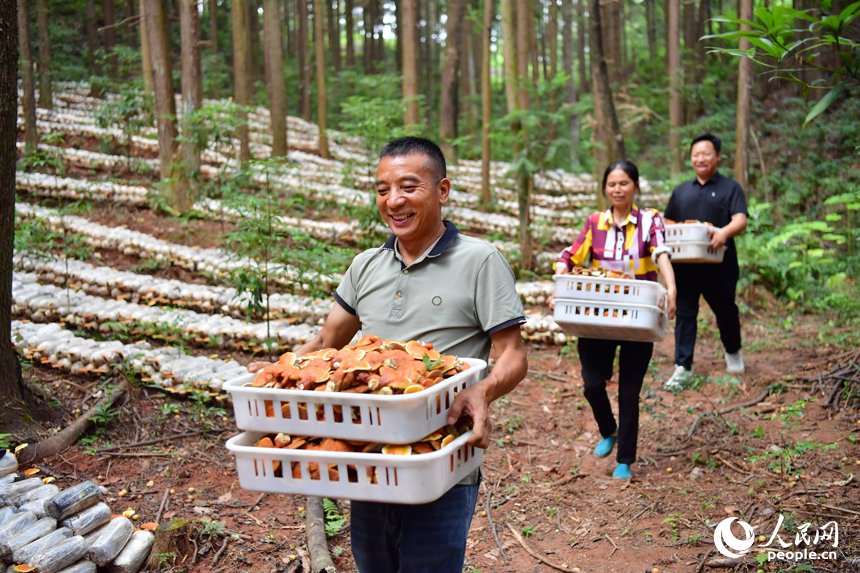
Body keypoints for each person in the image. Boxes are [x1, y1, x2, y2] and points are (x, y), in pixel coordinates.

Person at [250, 137, 528, 573]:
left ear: (443, 190)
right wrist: (280, 370)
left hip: (439, 457)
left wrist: (484, 391)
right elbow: (327, 341)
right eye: (383, 189)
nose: (393, 200)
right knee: (374, 564)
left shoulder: (480, 260)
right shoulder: (365, 265)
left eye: (408, 186)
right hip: (367, 453)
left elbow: (512, 353)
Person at [552, 160, 677, 480]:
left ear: (635, 186)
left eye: (624, 183)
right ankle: (609, 429)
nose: (617, 189)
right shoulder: (596, 222)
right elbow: (572, 255)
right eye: (612, 184)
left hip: (640, 316)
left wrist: (671, 287)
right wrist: (562, 274)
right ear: (605, 188)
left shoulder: (649, 221)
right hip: (599, 314)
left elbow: (661, 253)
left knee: (629, 391)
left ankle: (625, 458)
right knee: (593, 383)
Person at [663, 133, 748, 389]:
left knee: (725, 310)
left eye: (706, 153)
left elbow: (740, 219)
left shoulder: (730, 188)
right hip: (685, 266)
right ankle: (683, 366)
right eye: (696, 154)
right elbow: (668, 221)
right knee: (686, 313)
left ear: (718, 156)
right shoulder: (681, 191)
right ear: (691, 159)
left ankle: (733, 351)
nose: (701, 159)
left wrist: (723, 232)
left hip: (720, 265)